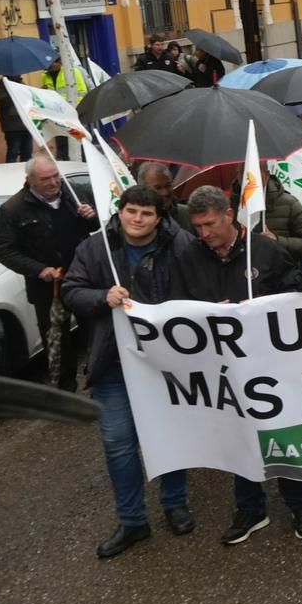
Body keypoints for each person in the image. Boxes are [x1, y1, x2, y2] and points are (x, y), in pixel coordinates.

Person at [62, 183, 197, 558]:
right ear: (119, 211)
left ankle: (175, 503)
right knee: (118, 444)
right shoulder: (94, 248)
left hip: (165, 363)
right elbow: (70, 290)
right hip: (113, 364)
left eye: (146, 213)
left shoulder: (181, 245)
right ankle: (132, 520)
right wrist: (100, 297)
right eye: (131, 211)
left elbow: (198, 289)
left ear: (159, 218)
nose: (137, 219)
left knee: (170, 437)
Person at [171, 185, 302, 544]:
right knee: (239, 438)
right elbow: (179, 307)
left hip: (271, 364)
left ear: (229, 216)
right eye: (197, 226)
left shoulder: (266, 251)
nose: (204, 233)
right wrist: (208, 313)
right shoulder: (190, 256)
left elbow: (298, 296)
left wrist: (258, 307)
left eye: (210, 224)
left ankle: (300, 505)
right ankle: (250, 510)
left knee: (283, 435)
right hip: (224, 369)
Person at [0, 155, 98, 390]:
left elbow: (96, 226)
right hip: (48, 287)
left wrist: (91, 217)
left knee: (95, 333)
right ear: (29, 180)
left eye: (55, 176)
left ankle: (100, 383)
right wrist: (38, 270)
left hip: (83, 278)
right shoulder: (13, 209)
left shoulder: (74, 193)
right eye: (45, 179)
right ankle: (65, 392)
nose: (53, 183)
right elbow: (4, 251)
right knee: (57, 342)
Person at [135, 161, 194, 234]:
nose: (165, 193)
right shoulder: (135, 220)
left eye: (168, 185)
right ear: (142, 189)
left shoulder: (188, 214)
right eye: (157, 188)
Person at [0, 76, 32, 163]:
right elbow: (2, 102)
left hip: (26, 123)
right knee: (13, 153)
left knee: (27, 154)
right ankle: (10, 174)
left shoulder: (21, 83)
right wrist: (15, 92)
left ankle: (27, 174)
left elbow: (28, 98)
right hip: (11, 125)